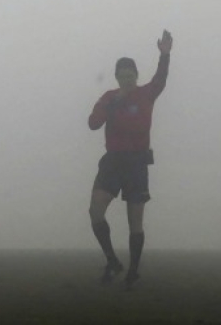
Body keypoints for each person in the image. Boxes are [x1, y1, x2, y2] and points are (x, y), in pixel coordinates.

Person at [88, 30, 172, 287]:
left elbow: (161, 79)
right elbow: (93, 123)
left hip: (136, 163)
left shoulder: (146, 93)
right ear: (116, 77)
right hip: (113, 162)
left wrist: (165, 55)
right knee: (95, 211)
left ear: (136, 75)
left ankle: (133, 270)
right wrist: (114, 103)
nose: (126, 80)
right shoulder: (109, 98)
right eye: (122, 76)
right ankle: (112, 260)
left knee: (134, 221)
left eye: (130, 75)